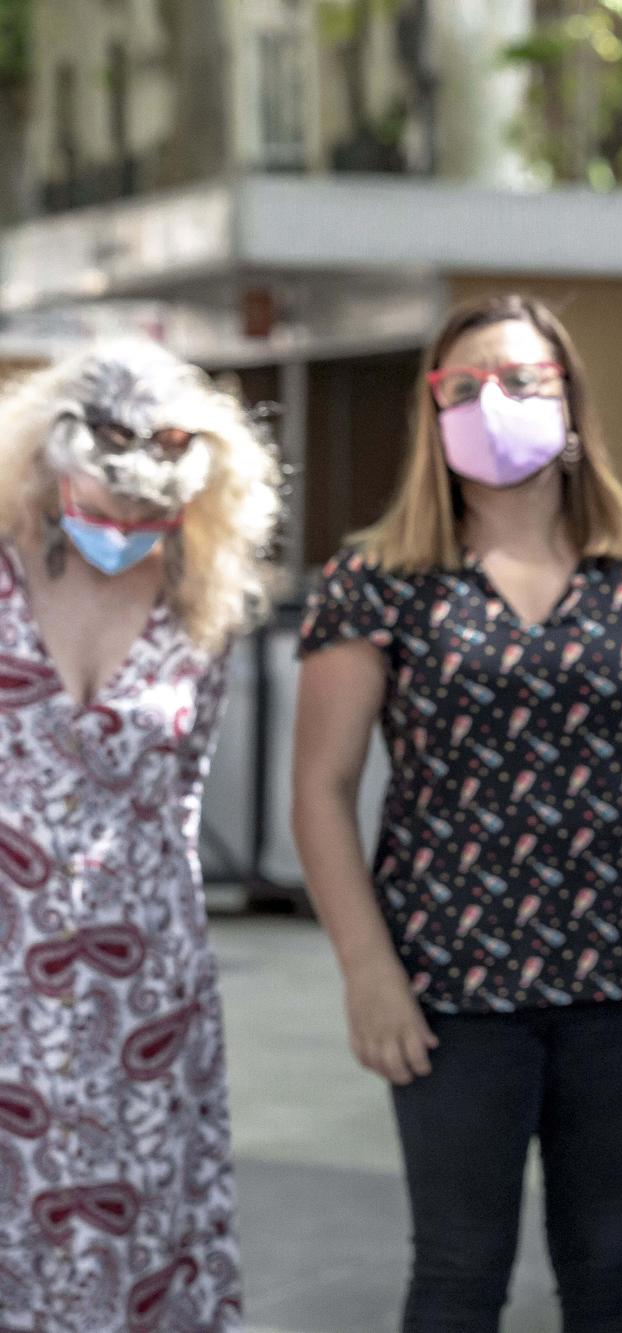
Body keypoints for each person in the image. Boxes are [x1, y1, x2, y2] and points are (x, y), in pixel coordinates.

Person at [290, 294, 622, 1332]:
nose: (494, 401)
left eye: (522, 379)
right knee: (457, 1272)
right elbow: (319, 786)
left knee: (613, 1266)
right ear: (432, 411)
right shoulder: (376, 579)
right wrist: (366, 970)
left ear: (571, 403)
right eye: (465, 385)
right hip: (448, 987)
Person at [0, 339, 281, 1330]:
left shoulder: (200, 605)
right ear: (46, 465)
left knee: (142, 1250)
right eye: (103, 507)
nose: (123, 530)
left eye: (147, 515)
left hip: (142, 998)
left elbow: (183, 797)